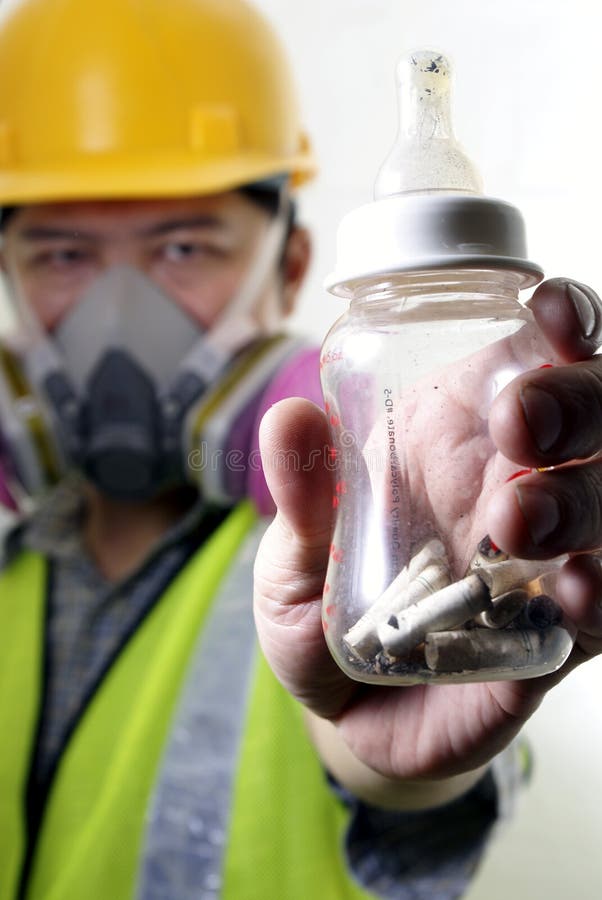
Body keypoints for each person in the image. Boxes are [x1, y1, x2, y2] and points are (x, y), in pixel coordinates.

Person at [0, 1, 601, 899]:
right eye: (61, 256)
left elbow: (409, 772)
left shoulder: (346, 541)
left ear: (291, 267)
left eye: (181, 246)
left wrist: (401, 745)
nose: (115, 318)